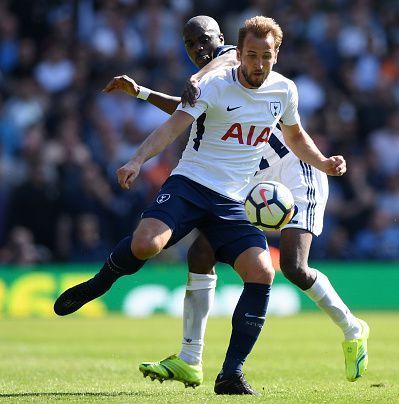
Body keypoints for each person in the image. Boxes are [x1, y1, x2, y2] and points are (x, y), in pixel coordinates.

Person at [55, 16, 353, 395]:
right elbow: (173, 127)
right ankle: (100, 283)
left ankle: (230, 374)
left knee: (263, 272)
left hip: (232, 199)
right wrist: (136, 160)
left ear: (276, 55)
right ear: (239, 53)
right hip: (191, 184)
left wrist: (322, 161)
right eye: (251, 56)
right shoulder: (214, 82)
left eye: (265, 56)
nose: (257, 64)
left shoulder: (284, 91)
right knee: (147, 244)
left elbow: (294, 135)